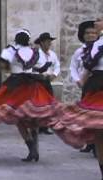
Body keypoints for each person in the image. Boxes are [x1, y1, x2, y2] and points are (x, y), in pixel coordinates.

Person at [0, 29, 58, 162]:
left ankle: (31, 148)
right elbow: (38, 67)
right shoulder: (34, 51)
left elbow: (3, 65)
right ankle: (35, 148)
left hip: (16, 85)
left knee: (18, 118)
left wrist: (10, 68)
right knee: (33, 116)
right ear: (28, 40)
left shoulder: (10, 50)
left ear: (16, 39)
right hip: (32, 84)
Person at [51, 19, 103, 180]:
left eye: (99, 20)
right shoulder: (94, 46)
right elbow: (86, 66)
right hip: (96, 86)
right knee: (99, 131)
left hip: (95, 84)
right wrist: (80, 81)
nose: (96, 22)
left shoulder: (97, 44)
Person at [69, 20, 99, 155]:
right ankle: (90, 142)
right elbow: (73, 67)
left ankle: (97, 143)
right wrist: (78, 80)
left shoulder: (99, 48)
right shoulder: (79, 51)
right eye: (87, 33)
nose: (91, 35)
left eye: (93, 32)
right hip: (87, 85)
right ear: (83, 35)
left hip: (99, 83)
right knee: (87, 114)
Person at [34, 32, 61, 135]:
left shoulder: (52, 54)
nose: (49, 43)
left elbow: (57, 65)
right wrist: (41, 73)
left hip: (47, 81)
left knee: (49, 104)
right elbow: (31, 67)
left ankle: (45, 126)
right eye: (47, 41)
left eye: (50, 41)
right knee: (38, 104)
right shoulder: (36, 54)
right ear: (41, 43)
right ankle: (37, 125)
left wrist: (54, 74)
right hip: (38, 81)